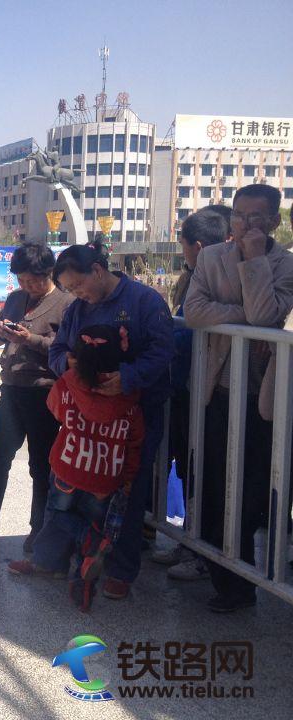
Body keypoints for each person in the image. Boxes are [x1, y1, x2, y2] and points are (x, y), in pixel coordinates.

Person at [184, 183, 293, 612]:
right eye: (239, 216)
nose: (246, 225)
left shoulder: (285, 265)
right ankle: (226, 578)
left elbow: (268, 316)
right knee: (214, 485)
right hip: (218, 387)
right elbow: (195, 312)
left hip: (262, 396)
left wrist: (254, 260)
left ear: (275, 221)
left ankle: (244, 579)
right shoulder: (211, 258)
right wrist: (246, 318)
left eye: (256, 217)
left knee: (250, 491)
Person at [49, 240, 173, 601]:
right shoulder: (77, 310)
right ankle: (77, 557)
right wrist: (68, 364)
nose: (77, 294)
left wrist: (128, 378)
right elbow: (57, 350)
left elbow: (163, 351)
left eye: (78, 285)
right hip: (86, 421)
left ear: (98, 270)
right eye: (70, 290)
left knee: (127, 492)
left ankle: (121, 569)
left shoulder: (144, 301)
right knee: (77, 491)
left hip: (133, 416)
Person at [8, 325, 144, 612]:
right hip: (106, 477)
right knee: (93, 519)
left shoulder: (69, 383)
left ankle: (62, 555)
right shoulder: (129, 394)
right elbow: (135, 440)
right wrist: (129, 477)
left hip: (69, 468)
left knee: (58, 514)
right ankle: (83, 577)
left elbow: (54, 408)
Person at [0, 243, 73, 549]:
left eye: (32, 281)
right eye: (22, 280)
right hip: (12, 388)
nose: (27, 286)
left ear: (48, 273)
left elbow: (65, 348)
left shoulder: (66, 303)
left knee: (41, 465)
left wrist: (30, 339)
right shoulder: (15, 299)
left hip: (43, 390)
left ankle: (39, 529)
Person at [151, 208, 230, 580]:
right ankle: (191, 542)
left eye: (182, 245)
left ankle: (208, 554)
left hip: (212, 392)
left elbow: (187, 331)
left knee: (211, 477)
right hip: (186, 389)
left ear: (196, 246)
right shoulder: (193, 278)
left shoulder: (219, 280)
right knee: (188, 469)